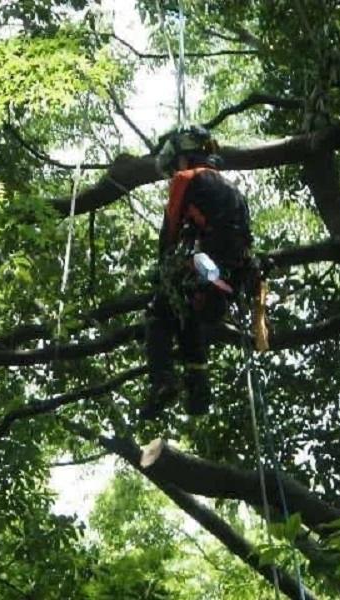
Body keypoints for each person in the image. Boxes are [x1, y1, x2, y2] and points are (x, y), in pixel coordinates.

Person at [140, 126, 255, 420]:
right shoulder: (233, 189)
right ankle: (199, 390)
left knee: (159, 312)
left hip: (208, 266)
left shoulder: (186, 179)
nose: (174, 169)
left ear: (185, 157)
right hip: (231, 275)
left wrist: (161, 268)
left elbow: (170, 234)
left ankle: (163, 380)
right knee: (185, 311)